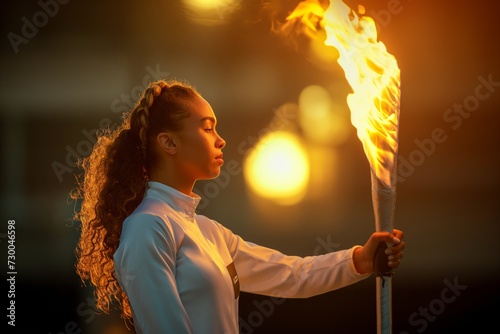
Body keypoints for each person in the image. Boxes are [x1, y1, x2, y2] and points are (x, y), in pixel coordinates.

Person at [73, 79, 405, 334]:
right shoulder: (148, 226)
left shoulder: (207, 231)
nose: (221, 140)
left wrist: (360, 260)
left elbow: (291, 274)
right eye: (207, 128)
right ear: (169, 142)